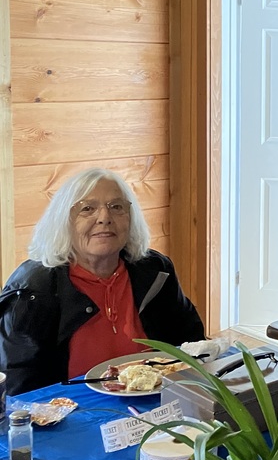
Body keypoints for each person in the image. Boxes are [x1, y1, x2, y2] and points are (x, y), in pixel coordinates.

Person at [0, 168, 205, 395]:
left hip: (159, 405)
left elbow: (192, 345)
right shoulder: (32, 290)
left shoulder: (156, 270)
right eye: (87, 209)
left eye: (116, 207)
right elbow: (18, 390)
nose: (105, 218)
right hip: (71, 416)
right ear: (64, 221)